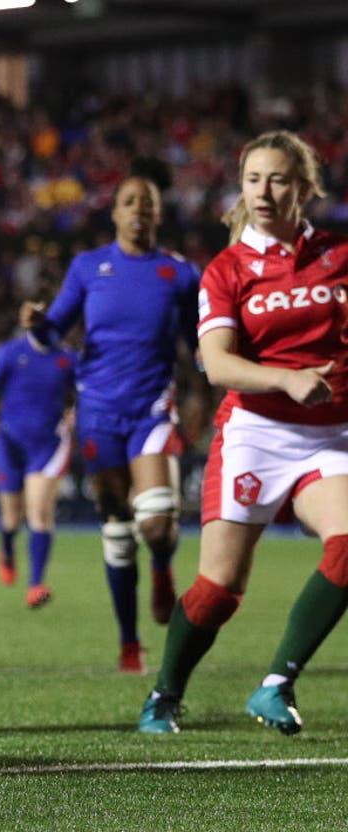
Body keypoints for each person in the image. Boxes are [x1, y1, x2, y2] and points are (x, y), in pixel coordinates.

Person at [138, 130, 348, 734]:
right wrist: (286, 379)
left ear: (303, 188)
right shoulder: (227, 269)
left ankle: (276, 684)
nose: (263, 191)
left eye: (277, 179)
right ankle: (164, 694)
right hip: (256, 433)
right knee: (218, 590)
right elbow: (218, 364)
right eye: (253, 179)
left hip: (330, 436)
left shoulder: (339, 254)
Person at [20, 174, 201, 672]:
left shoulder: (180, 273)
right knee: (118, 531)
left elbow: (199, 344)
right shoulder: (87, 267)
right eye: (128, 201)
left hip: (151, 410)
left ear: (158, 214)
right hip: (98, 412)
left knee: (157, 521)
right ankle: (129, 643)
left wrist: (219, 370)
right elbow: (53, 332)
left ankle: (162, 565)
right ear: (115, 213)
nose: (138, 208)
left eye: (147, 202)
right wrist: (37, 324)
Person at [0, 329, 77, 609]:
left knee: (39, 512)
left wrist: (78, 412)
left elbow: (90, 388)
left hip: (48, 445)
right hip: (8, 443)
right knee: (11, 519)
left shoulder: (68, 358)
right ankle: (7, 549)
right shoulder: (10, 352)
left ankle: (35, 585)